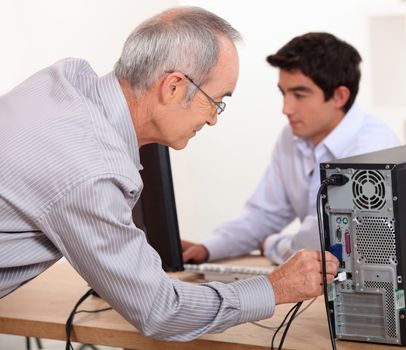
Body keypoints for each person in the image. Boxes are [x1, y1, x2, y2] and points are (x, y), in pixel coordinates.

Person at [0, 7, 339, 341]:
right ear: (173, 86)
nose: (213, 119)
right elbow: (161, 310)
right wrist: (274, 287)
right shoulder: (91, 168)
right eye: (216, 101)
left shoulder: (66, 80)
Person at [183, 32, 399, 265]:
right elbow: (264, 214)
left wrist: (271, 244)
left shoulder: (373, 147)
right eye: (284, 93)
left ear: (339, 96)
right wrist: (207, 248)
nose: (286, 108)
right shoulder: (292, 137)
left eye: (299, 94)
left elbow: (328, 241)